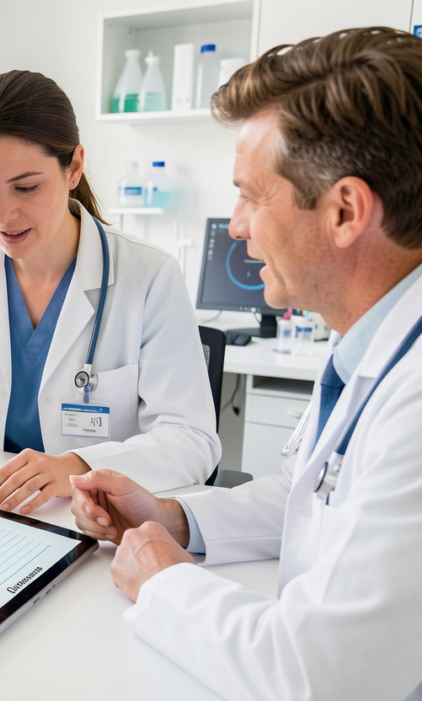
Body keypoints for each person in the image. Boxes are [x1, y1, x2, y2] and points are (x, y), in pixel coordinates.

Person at [70, 27, 422, 700]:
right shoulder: (374, 344)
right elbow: (307, 493)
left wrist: (163, 579)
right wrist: (176, 518)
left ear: (345, 210)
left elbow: (321, 673)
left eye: (252, 196)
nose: (235, 226)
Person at [0, 70, 221, 514]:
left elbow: (191, 439)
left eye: (26, 187)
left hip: (92, 520)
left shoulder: (149, 275)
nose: (3, 214)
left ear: (74, 167)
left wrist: (76, 465)